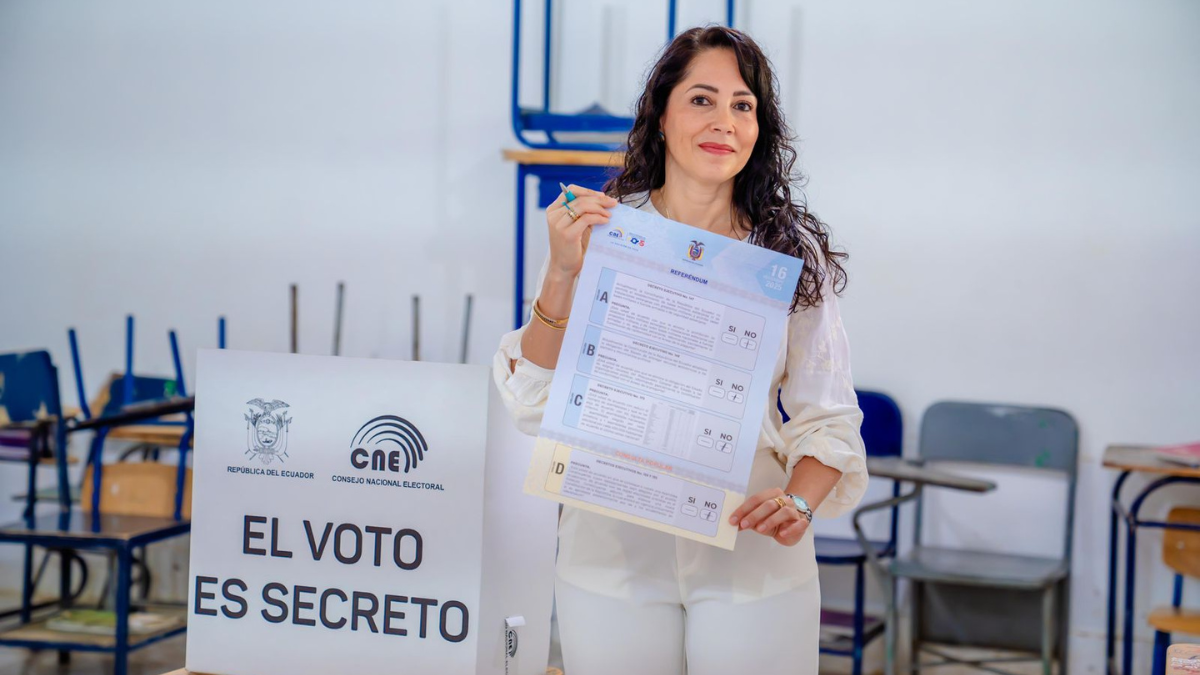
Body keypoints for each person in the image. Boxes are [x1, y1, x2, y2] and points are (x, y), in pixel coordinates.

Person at [493, 25, 867, 675]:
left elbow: (828, 417)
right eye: (702, 99)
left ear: (759, 129)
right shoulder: (600, 233)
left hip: (750, 562)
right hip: (610, 560)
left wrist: (799, 501)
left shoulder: (786, 253)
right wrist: (560, 272)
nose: (724, 120)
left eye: (743, 105)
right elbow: (533, 400)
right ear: (661, 115)